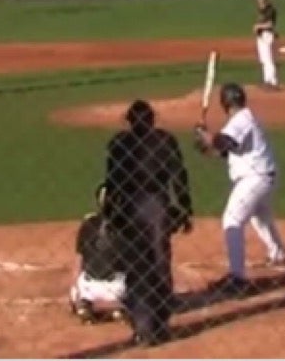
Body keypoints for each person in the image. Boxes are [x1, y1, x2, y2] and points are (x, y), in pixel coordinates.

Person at [103, 100, 193, 347]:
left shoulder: (119, 143)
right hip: (158, 206)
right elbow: (178, 176)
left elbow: (112, 181)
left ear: (130, 121)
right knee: (160, 261)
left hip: (130, 207)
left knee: (136, 265)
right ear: (153, 120)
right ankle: (161, 323)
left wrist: (110, 213)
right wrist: (185, 209)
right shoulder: (165, 140)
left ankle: (142, 327)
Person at [193, 83, 285, 295]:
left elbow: (224, 141)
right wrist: (207, 146)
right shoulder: (246, 119)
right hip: (263, 177)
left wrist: (206, 136)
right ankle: (277, 253)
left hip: (255, 179)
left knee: (232, 219)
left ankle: (237, 279)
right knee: (259, 216)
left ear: (224, 104)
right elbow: (228, 151)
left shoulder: (241, 120)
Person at [68, 185, 128, 324]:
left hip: (88, 288)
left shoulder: (87, 224)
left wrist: (74, 290)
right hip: (116, 289)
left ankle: (85, 305)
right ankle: (118, 307)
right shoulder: (127, 226)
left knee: (83, 277)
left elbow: (79, 260)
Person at [253, 0, 281, 90]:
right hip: (261, 36)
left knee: (269, 59)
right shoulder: (261, 9)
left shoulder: (270, 9)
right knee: (264, 59)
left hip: (267, 35)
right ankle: (266, 81)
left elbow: (270, 24)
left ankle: (273, 81)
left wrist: (258, 26)